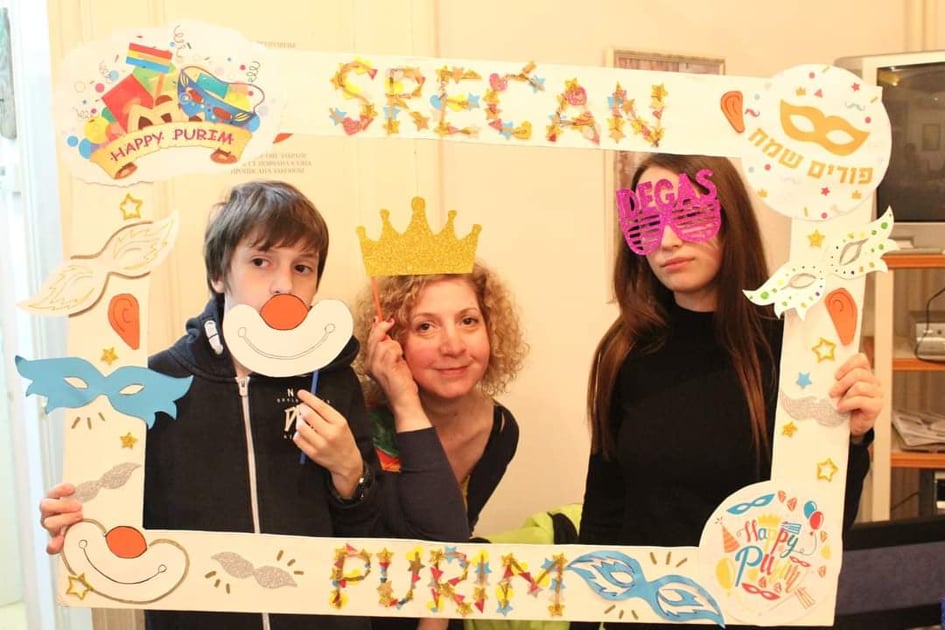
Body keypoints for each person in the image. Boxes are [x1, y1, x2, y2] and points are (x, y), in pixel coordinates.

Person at [39, 180, 381, 630]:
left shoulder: (333, 381)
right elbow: (120, 524)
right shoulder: (150, 385)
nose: (284, 285)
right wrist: (82, 519)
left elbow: (365, 532)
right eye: (261, 261)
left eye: (303, 267)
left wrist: (350, 472)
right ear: (220, 275)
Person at [575, 154, 883, 629]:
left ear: (730, 218)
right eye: (648, 223)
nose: (667, 240)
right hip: (644, 616)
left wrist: (853, 438)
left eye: (688, 215)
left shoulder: (796, 349)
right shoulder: (625, 352)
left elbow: (819, 529)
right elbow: (604, 510)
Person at [353, 261, 528, 630]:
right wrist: (404, 401)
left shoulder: (499, 429)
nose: (453, 346)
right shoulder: (358, 426)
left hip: (441, 606)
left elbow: (452, 545)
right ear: (390, 339)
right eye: (425, 327)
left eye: (468, 321)